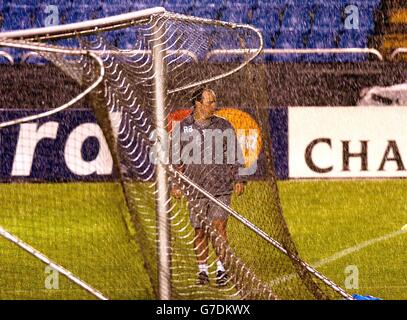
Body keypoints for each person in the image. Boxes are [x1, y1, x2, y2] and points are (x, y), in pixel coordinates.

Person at [171, 88, 245, 286]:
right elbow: (175, 159)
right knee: (200, 230)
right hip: (195, 188)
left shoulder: (223, 126)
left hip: (220, 187)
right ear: (198, 103)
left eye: (214, 101)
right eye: (210, 102)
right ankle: (202, 271)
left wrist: (239, 178)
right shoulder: (183, 127)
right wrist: (175, 183)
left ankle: (221, 270)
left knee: (219, 227)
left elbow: (234, 153)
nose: (214, 105)